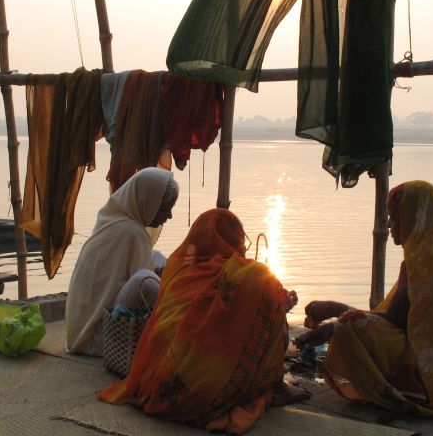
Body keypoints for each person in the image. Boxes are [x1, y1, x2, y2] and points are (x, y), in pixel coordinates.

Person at [295, 180, 433, 416]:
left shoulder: (424, 266)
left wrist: (335, 312)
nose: (390, 225)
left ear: (416, 219)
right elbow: (408, 320)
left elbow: (395, 320)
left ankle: (406, 387)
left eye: (396, 218)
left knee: (348, 326)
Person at [98, 208, 308, 434]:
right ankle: (275, 386)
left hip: (153, 383)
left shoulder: (179, 271)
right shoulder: (244, 274)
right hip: (197, 394)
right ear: (235, 238)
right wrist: (278, 304)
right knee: (268, 290)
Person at [65, 167, 179, 356]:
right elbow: (142, 285)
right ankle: (180, 328)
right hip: (97, 339)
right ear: (148, 202)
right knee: (145, 279)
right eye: (164, 209)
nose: (169, 216)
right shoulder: (131, 232)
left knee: (156, 257)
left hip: (82, 332)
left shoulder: (113, 220)